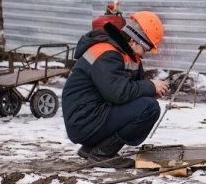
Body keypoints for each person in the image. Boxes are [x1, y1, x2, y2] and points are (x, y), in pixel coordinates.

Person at [62, 11, 169, 169]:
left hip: (90, 115)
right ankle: (102, 154)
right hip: (84, 119)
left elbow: (129, 90)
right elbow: (119, 93)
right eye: (145, 48)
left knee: (147, 104)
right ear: (133, 40)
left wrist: (151, 91)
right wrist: (150, 86)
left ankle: (92, 148)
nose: (144, 55)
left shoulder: (126, 54)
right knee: (149, 108)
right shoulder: (107, 53)